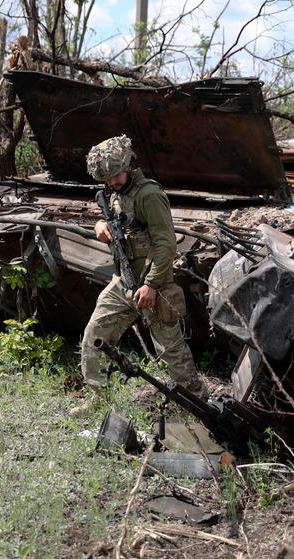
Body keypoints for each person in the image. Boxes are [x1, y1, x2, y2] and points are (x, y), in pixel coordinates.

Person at [71, 134, 205, 416]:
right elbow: (116, 225)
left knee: (171, 351)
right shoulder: (116, 194)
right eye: (106, 179)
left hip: (152, 285)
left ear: (128, 165)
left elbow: (166, 244)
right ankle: (98, 398)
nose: (111, 183)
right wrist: (99, 225)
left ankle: (197, 403)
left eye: (115, 176)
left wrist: (152, 284)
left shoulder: (149, 195)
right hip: (122, 283)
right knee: (94, 335)